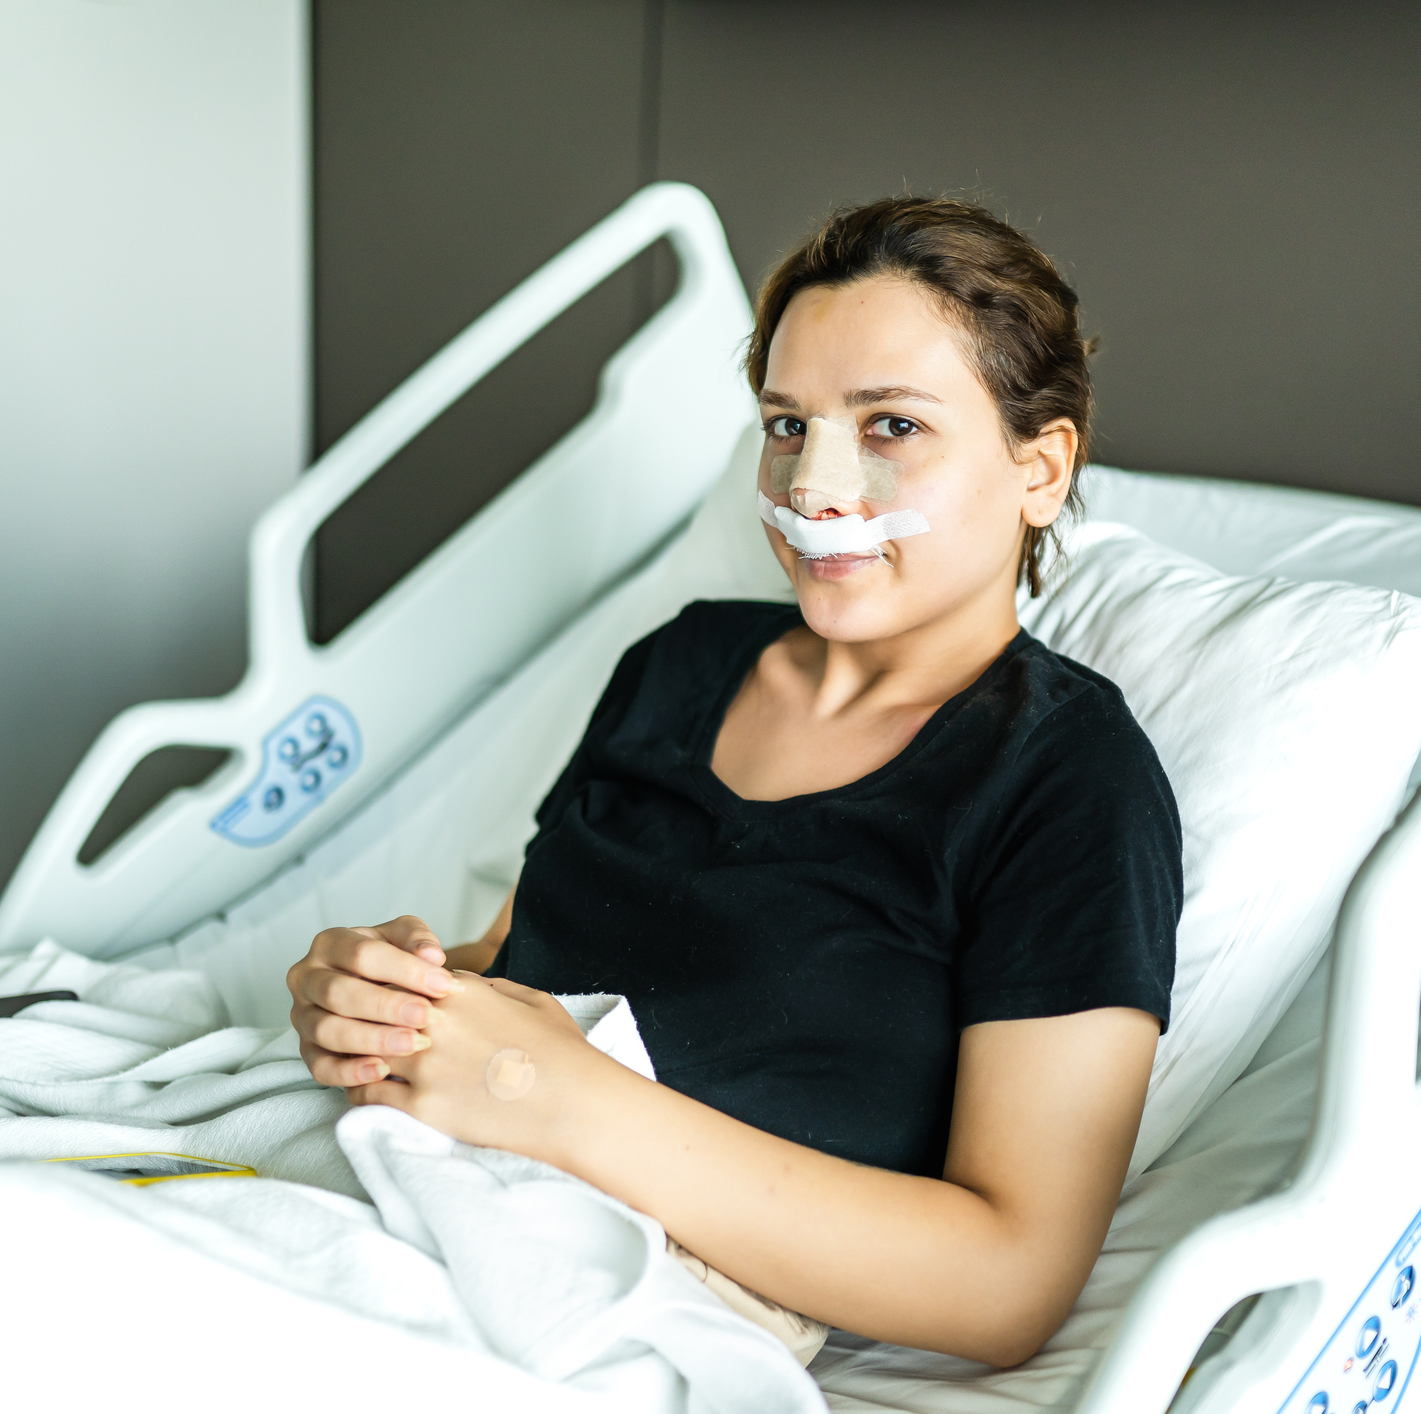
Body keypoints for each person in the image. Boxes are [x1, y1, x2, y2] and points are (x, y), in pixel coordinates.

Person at [285, 196, 1181, 1370]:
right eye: (787, 425)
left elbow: (1007, 1281)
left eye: (892, 425)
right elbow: (518, 962)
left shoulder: (1068, 778)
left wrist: (548, 1094)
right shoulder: (682, 660)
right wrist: (379, 994)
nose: (815, 486)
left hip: (607, 1291)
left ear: (1042, 468)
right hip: (391, 1173)